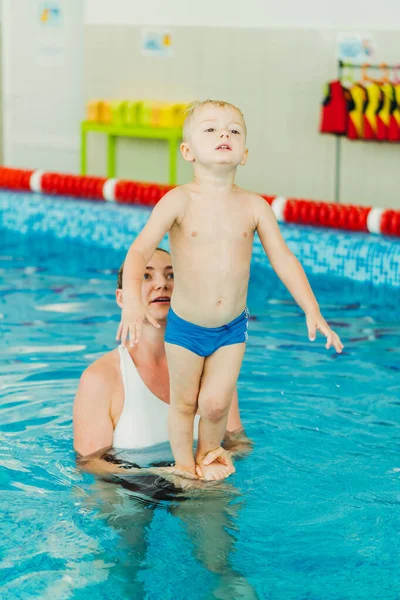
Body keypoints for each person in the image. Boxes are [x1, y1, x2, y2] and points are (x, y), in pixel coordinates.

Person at [117, 99, 344, 481]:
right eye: (210, 129)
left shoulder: (254, 206)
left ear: (245, 153)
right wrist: (131, 308)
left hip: (231, 328)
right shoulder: (178, 201)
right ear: (187, 151)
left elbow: (283, 258)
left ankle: (208, 457)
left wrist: (311, 308)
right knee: (185, 403)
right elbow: (139, 250)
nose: (224, 134)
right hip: (186, 327)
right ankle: (184, 468)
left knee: (217, 403)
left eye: (233, 130)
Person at [73, 247, 247, 481]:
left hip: (201, 484)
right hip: (128, 488)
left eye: (171, 275)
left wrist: (214, 463)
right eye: (146, 276)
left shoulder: (213, 368)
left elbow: (238, 444)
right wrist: (162, 475)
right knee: (128, 516)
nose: (162, 284)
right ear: (122, 298)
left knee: (212, 510)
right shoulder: (101, 378)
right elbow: (90, 463)